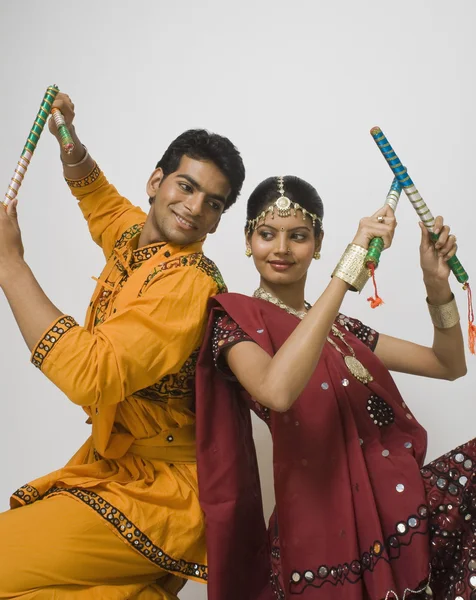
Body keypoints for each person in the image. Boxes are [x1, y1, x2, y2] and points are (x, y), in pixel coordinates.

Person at [0, 93, 245, 599]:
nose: (194, 208)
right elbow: (100, 200)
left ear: (219, 219)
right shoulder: (136, 236)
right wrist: (68, 140)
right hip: (118, 468)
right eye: (186, 185)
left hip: (165, 494)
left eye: (213, 203)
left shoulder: (189, 282)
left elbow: (91, 373)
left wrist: (9, 265)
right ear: (156, 182)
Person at [196, 175, 472, 599]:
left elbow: (448, 364)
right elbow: (276, 392)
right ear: (248, 240)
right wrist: (347, 271)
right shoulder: (234, 321)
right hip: (319, 528)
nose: (282, 249)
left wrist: (436, 287)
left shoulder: (342, 328)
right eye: (267, 234)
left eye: (299, 236)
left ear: (318, 243)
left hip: (400, 508)